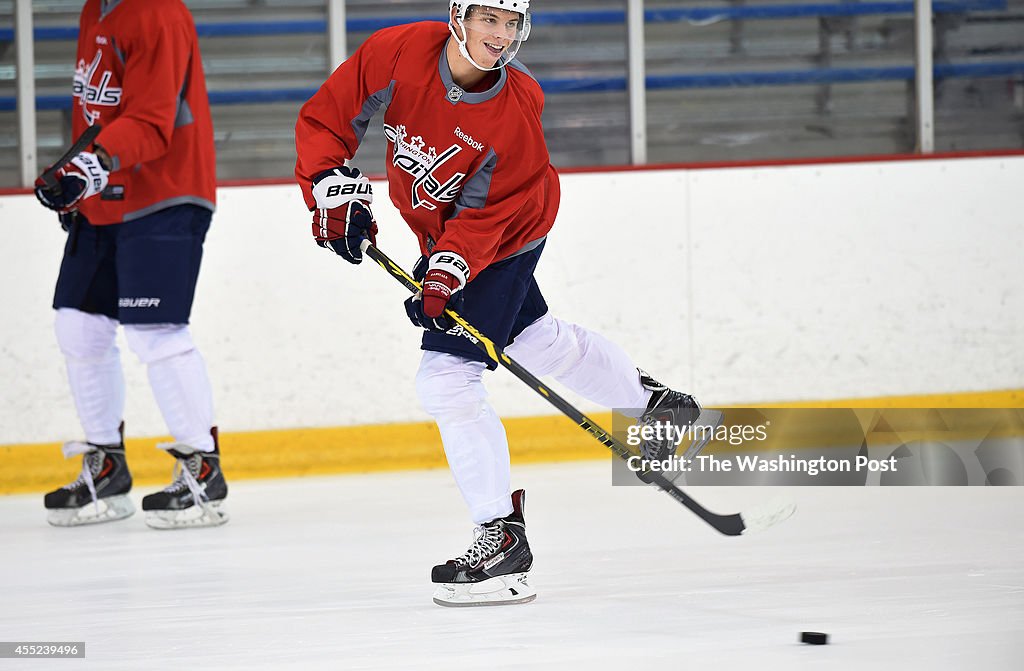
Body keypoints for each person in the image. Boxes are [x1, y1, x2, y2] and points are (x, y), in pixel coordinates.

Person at [295, 0, 716, 606]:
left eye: (511, 22)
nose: (501, 35)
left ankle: (501, 538)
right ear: (457, 17)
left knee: (446, 378)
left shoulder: (513, 110)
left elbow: (493, 213)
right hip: (448, 230)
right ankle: (654, 404)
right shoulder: (399, 53)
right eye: (488, 19)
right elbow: (329, 118)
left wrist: (449, 271)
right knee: (536, 340)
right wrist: (331, 188)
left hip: (508, 232)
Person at [33, 0, 227, 530]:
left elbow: (153, 118)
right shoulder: (97, 9)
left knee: (155, 332)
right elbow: (98, 112)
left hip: (166, 193)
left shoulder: (158, 12)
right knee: (78, 326)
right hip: (108, 195)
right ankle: (107, 466)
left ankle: (202, 472)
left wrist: (90, 167)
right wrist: (76, 178)